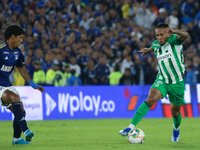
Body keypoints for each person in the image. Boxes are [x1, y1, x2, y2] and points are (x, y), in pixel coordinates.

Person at [119, 23, 189, 142]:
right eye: (157, 35)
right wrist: (148, 50)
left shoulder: (174, 40)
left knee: (175, 112)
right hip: (162, 79)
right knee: (150, 99)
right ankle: (130, 127)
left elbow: (186, 35)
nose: (159, 37)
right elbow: (154, 47)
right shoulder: (156, 44)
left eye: (162, 34)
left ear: (168, 33)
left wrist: (174, 31)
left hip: (177, 82)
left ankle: (176, 128)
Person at [0, 25, 45, 145]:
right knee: (15, 98)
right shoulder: (0, 49)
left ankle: (16, 139)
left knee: (21, 111)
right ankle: (26, 131)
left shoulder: (17, 52)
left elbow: (22, 69)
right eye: (20, 38)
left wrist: (31, 83)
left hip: (5, 85)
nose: (22, 41)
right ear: (12, 37)